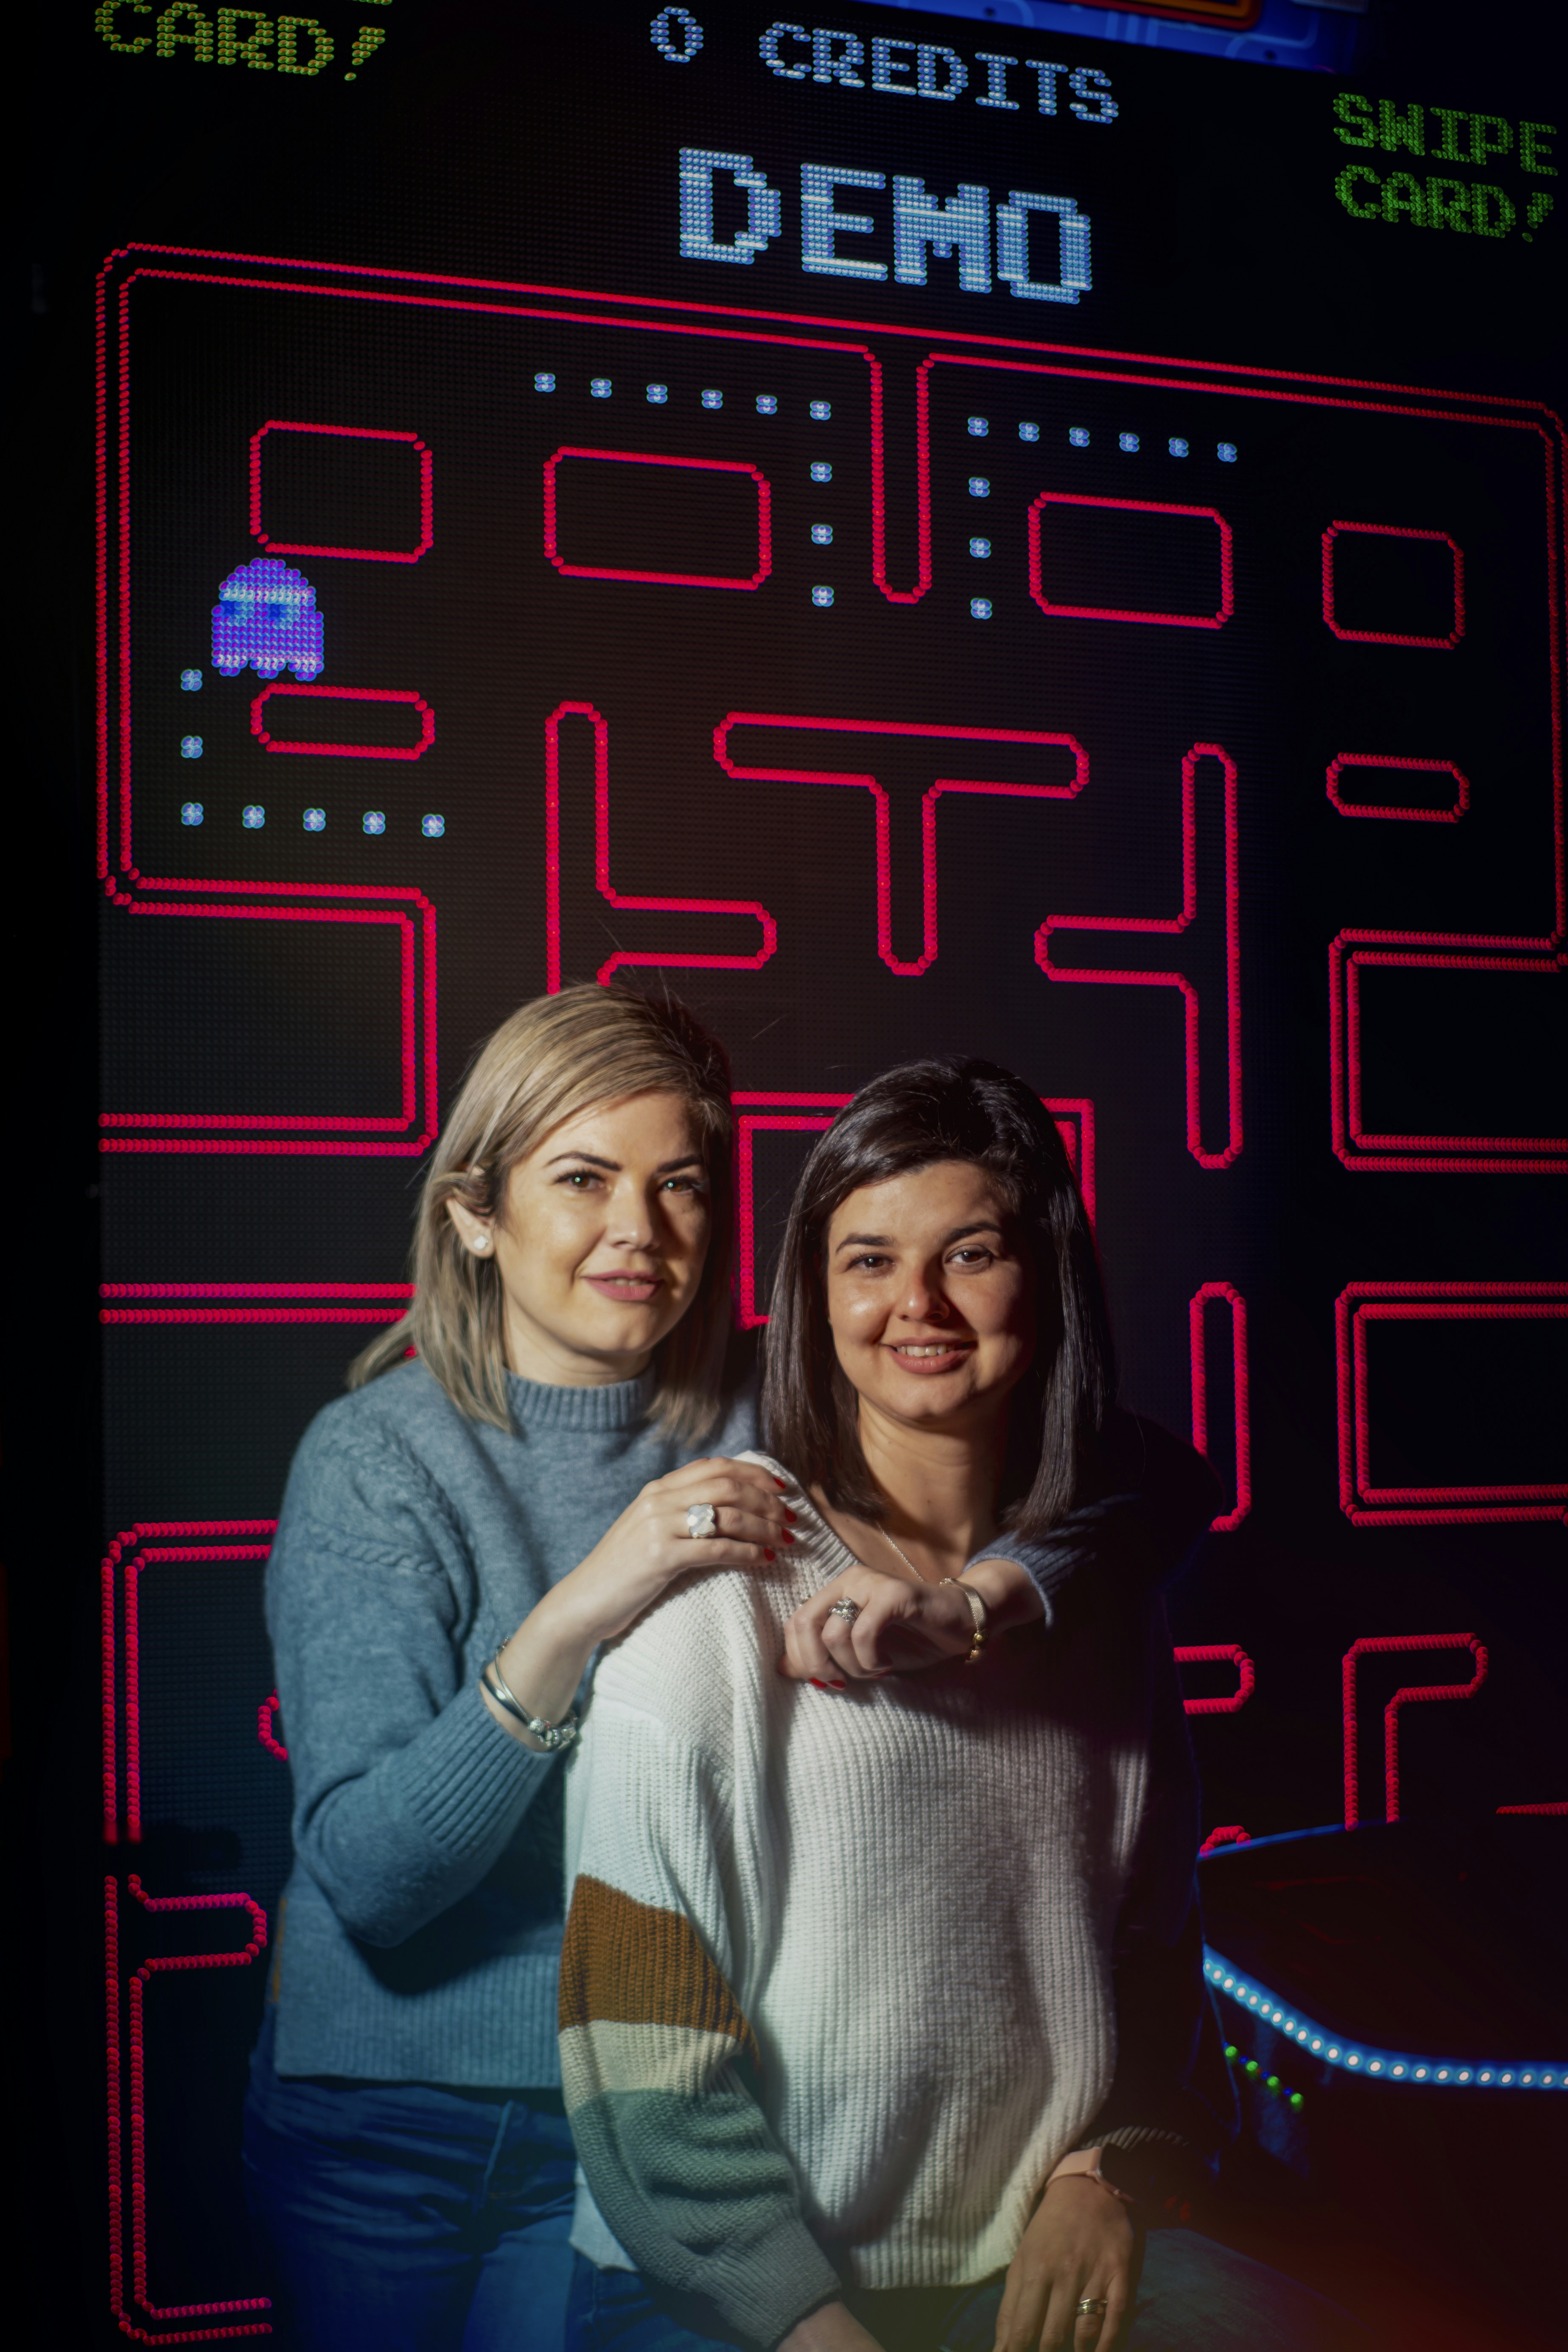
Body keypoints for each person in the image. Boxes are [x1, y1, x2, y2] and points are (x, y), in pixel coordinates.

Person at [244, 993, 1202, 2352]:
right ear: (474, 1212)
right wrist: (584, 1607)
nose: (639, 1229)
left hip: (658, 2111)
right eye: (583, 1180)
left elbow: (1157, 1481)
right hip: (399, 2112)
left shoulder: (777, 1398)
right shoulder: (378, 1463)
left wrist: (984, 1599)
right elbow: (374, 1884)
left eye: (680, 1183)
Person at [559, 1058, 1366, 2352]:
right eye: (868, 1261)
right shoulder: (709, 1609)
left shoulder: (1096, 1601)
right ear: (815, 1300)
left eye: (971, 1254)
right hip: (728, 2290)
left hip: (1033, 2251)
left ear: (1045, 1283)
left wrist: (1108, 2174)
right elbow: (638, 2075)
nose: (917, 1305)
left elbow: (1157, 1973)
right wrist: (812, 2325)